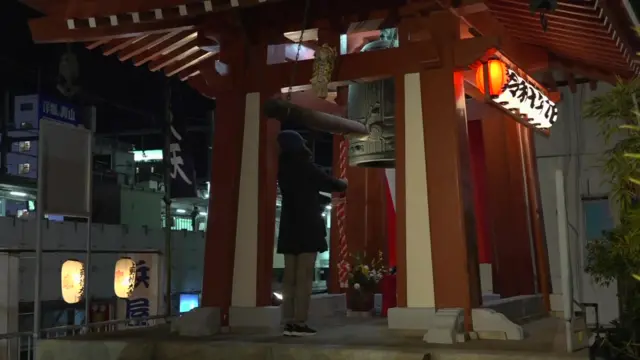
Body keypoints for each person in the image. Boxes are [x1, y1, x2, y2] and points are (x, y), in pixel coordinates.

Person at [276, 130, 347, 337]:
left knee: (289, 277)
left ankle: (287, 322)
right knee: (305, 275)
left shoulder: (283, 169)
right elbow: (330, 183)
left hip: (289, 227)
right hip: (307, 226)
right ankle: (300, 322)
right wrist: (344, 184)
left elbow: (302, 192)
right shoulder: (305, 167)